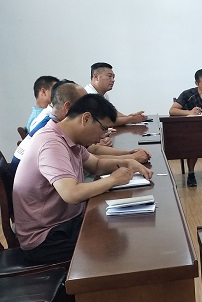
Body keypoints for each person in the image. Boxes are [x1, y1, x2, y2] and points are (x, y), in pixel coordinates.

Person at [12, 94, 153, 263]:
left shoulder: (69, 138)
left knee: (121, 226)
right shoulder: (51, 143)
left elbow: (96, 165)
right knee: (116, 246)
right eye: (103, 128)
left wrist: (127, 162)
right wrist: (114, 180)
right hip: (45, 238)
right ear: (86, 118)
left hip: (65, 222)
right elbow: (71, 193)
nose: (104, 136)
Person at [13, 81, 150, 173]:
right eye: (83, 104)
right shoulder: (48, 131)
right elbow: (71, 192)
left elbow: (91, 156)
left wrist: (129, 156)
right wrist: (129, 161)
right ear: (68, 106)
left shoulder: (61, 126)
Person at [85, 62, 148, 126]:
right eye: (109, 76)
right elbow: (104, 122)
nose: (113, 80)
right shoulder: (89, 95)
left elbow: (113, 113)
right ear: (96, 77)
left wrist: (129, 117)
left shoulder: (103, 94)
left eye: (113, 77)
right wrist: (131, 119)